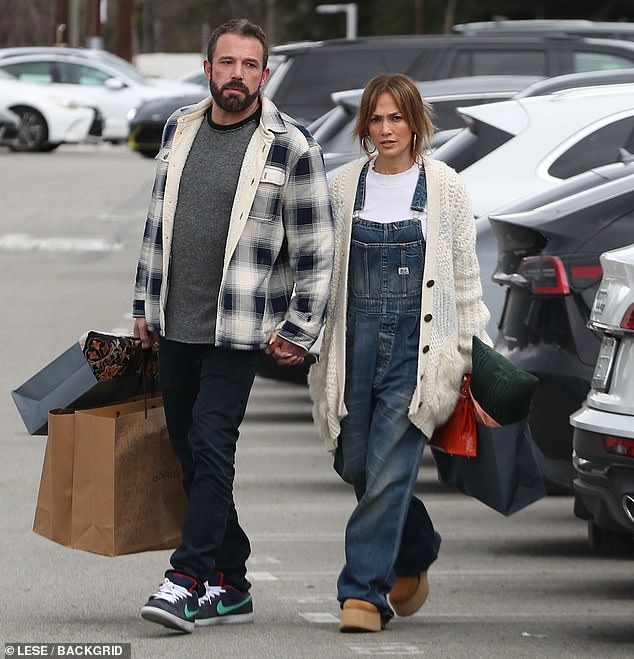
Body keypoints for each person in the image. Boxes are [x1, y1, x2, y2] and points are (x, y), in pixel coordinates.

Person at [133, 18, 333, 633]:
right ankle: (235, 581)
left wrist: (301, 329)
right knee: (190, 452)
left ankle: (187, 579)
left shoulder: (290, 145)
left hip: (239, 329)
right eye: (227, 63)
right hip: (175, 323)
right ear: (208, 68)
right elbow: (156, 226)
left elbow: (316, 247)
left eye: (250, 66)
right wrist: (144, 306)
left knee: (212, 446)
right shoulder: (180, 129)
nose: (238, 76)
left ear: (265, 76)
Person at [308, 73, 491, 633]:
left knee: (388, 469)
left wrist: (473, 351)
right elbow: (323, 276)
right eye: (377, 119)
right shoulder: (342, 187)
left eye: (397, 118)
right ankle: (416, 544)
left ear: (415, 122)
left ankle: (361, 594)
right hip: (352, 346)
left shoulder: (445, 187)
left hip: (417, 352)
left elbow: (463, 278)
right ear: (365, 126)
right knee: (358, 463)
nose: (386, 130)